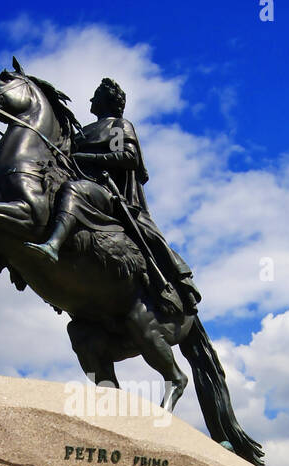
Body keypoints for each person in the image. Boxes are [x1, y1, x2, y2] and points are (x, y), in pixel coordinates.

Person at [27, 78, 201, 314]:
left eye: (95, 95)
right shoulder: (82, 132)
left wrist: (88, 159)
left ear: (107, 100)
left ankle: (53, 245)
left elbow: (127, 157)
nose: (90, 99)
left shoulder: (118, 126)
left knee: (73, 191)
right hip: (84, 186)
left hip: (107, 193)